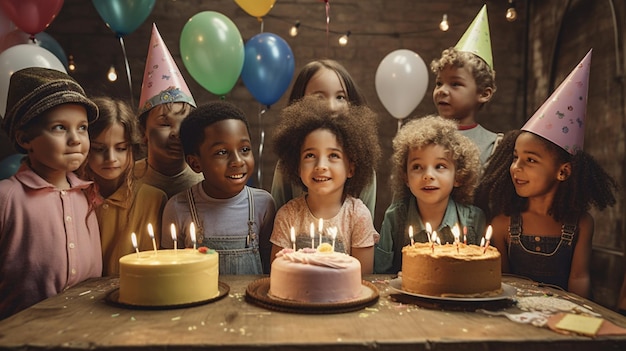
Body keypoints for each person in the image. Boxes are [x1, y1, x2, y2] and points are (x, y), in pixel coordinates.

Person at [474, 51, 617, 298]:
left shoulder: (581, 223)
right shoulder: (502, 224)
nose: (516, 167)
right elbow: (503, 282)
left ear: (563, 172)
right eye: (515, 157)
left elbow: (579, 277)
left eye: (530, 160)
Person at [0, 67, 103, 319]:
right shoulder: (7, 197)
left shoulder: (87, 196)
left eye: (82, 128)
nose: (75, 139)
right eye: (59, 128)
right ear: (25, 139)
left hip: (85, 329)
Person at [161, 101, 275, 275]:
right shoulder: (177, 207)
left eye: (244, 149)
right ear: (195, 163)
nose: (237, 161)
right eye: (222, 152)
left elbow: (269, 268)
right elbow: (168, 272)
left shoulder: (263, 204)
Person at [269, 96, 381, 274]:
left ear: (351, 168)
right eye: (310, 155)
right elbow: (278, 274)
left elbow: (363, 279)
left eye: (334, 156)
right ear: (297, 166)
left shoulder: (358, 216)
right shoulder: (287, 216)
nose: (321, 165)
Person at [374, 115, 486, 274]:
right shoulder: (395, 217)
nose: (428, 175)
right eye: (417, 167)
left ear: (459, 176)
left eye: (440, 166)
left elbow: (482, 274)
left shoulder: (474, 220)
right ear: (405, 177)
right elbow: (381, 274)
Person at [270, 59, 377, 220]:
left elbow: (366, 230)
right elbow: (277, 221)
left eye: (340, 97)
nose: (332, 106)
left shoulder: (363, 165)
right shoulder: (287, 165)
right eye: (319, 97)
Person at [79, 97, 167, 276]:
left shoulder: (152, 200)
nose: (111, 158)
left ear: (133, 149)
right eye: (98, 148)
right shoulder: (73, 197)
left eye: (120, 148)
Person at [133, 24, 203, 198]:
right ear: (143, 131)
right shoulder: (126, 180)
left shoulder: (206, 181)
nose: (177, 133)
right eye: (165, 123)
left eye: (185, 123)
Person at [430, 5, 502, 166]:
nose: (442, 90)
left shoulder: (494, 146)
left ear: (484, 93)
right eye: (439, 83)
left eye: (455, 84)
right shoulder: (422, 138)